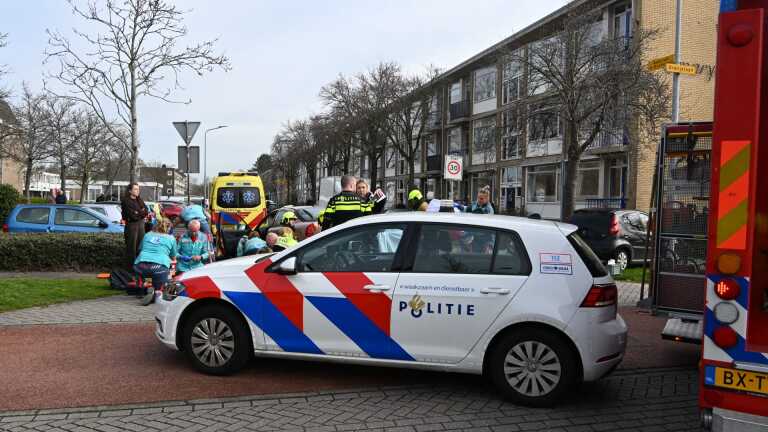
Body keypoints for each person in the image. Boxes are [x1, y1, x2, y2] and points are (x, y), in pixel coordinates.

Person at [134, 220, 178, 305]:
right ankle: (158, 293)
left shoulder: (147, 235)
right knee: (168, 270)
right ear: (169, 229)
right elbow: (173, 257)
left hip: (139, 266)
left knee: (146, 274)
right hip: (159, 267)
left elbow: (140, 249)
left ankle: (145, 289)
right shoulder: (171, 238)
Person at [121, 183, 148, 268]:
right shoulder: (126, 201)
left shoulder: (139, 200)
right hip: (131, 226)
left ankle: (140, 267)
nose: (138, 191)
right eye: (135, 189)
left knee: (141, 247)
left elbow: (146, 211)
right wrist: (141, 211)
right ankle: (130, 269)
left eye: (138, 189)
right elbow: (133, 216)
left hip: (141, 225)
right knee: (131, 248)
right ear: (130, 190)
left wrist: (138, 212)